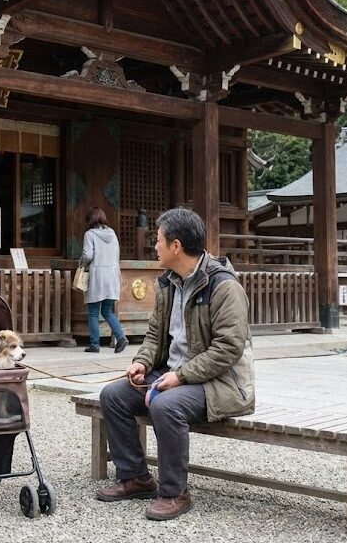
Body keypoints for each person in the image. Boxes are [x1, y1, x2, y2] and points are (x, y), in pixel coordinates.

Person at [95, 207, 254, 521]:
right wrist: (142, 362)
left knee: (166, 405)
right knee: (113, 396)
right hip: (177, 374)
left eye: (158, 240)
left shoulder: (223, 286)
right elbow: (155, 334)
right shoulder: (168, 283)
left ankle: (174, 492)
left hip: (222, 382)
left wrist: (180, 376)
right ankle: (136, 478)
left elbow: (228, 349)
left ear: (176, 246)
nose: (154, 246)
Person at [81, 207, 128, 353]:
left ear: (91, 220)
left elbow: (88, 255)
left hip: (97, 275)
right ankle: (121, 337)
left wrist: (81, 263)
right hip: (112, 276)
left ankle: (95, 345)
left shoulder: (90, 234)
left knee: (94, 312)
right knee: (107, 311)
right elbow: (117, 255)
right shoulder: (112, 233)